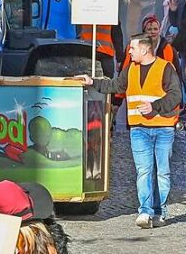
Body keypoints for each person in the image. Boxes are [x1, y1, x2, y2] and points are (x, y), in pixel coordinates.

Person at [77, 33, 180, 229]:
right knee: (144, 171)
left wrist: (155, 106)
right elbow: (115, 85)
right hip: (139, 128)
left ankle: (159, 211)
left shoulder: (166, 68)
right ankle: (145, 211)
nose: (129, 52)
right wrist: (92, 81)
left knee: (163, 173)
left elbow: (176, 95)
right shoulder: (130, 69)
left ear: (144, 49)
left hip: (163, 128)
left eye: (132, 48)